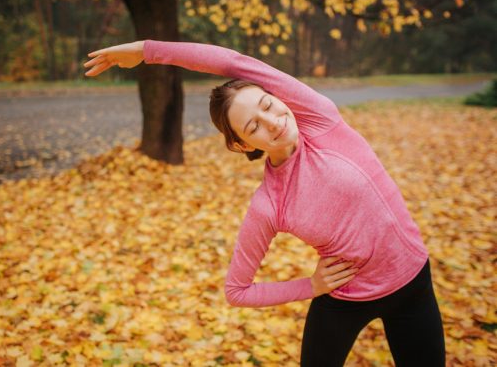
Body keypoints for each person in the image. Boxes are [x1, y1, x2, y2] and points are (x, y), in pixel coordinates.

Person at [83, 40, 446, 366]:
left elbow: (232, 62)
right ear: (242, 145)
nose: (272, 122)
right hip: (345, 298)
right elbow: (236, 291)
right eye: (253, 127)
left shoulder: (320, 120)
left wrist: (147, 50)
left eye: (268, 105)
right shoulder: (269, 204)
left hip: (413, 281)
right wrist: (311, 285)